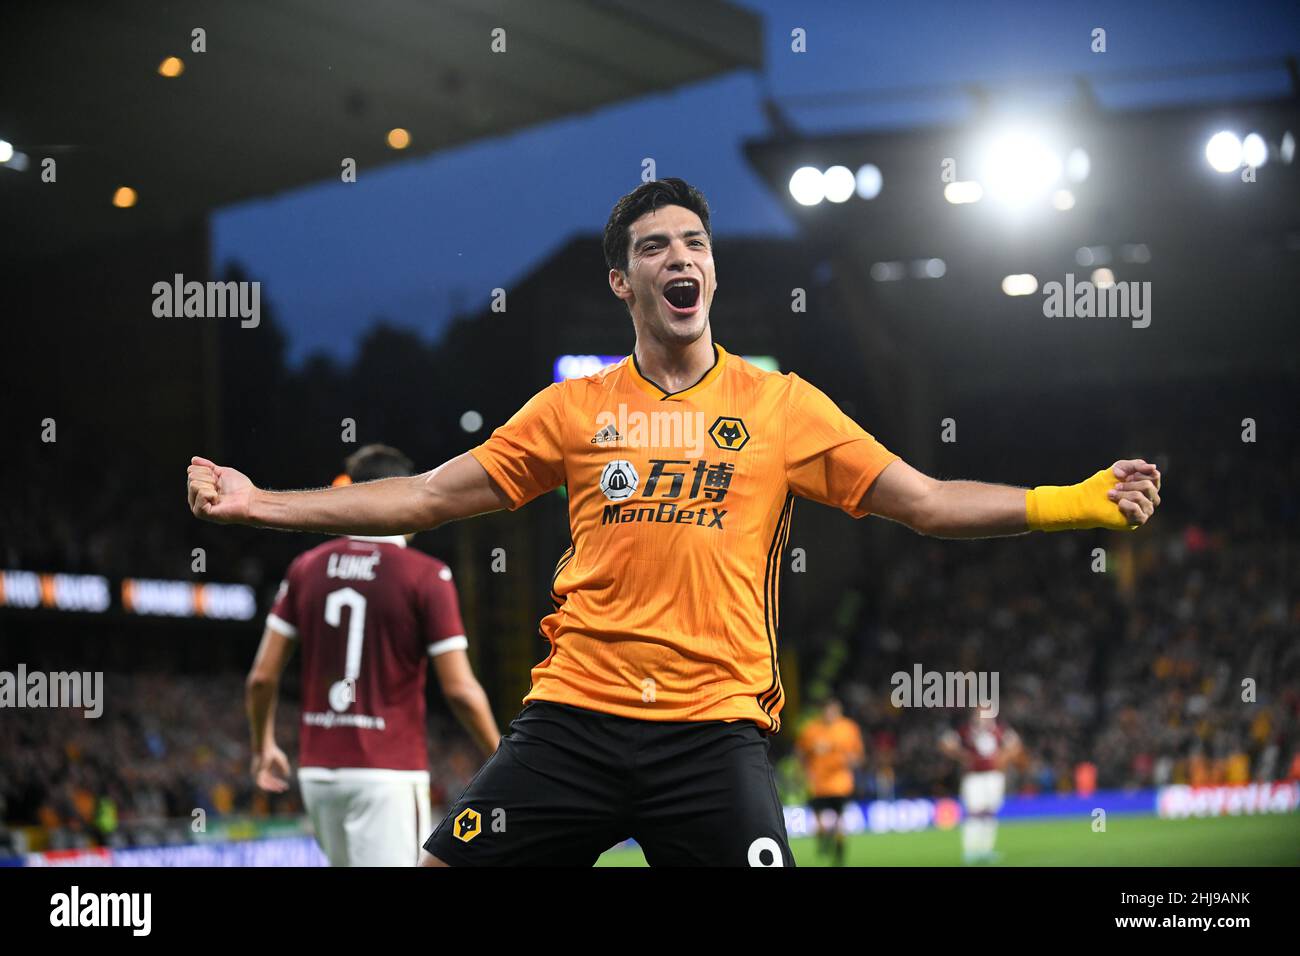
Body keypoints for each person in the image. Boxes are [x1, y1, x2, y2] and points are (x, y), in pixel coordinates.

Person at [190, 178, 1162, 867]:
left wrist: (1069, 500)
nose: (679, 257)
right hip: (573, 719)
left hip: (712, 735)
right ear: (624, 281)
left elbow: (925, 499)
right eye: (655, 246)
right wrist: (258, 501)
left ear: (711, 271)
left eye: (694, 242)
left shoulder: (780, 406)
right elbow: (430, 496)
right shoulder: (570, 410)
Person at [244, 444, 499, 866]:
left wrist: (263, 746)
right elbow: (459, 689)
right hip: (387, 773)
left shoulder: (306, 567)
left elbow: (261, 678)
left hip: (318, 774)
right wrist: (499, 756)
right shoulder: (426, 575)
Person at [940, 709, 1022, 864]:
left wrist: (1003, 757)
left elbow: (1015, 745)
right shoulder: (967, 730)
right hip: (974, 777)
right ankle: (971, 850)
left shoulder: (999, 729)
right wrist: (963, 756)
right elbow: (946, 743)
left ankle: (986, 849)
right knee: (974, 813)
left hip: (993, 776)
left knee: (989, 813)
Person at [796, 698, 864, 865]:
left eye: (833, 711)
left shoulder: (848, 728)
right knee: (819, 821)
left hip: (840, 784)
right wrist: (804, 770)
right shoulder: (811, 730)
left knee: (840, 819)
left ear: (838, 711)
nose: (830, 714)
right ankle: (823, 839)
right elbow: (800, 752)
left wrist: (851, 760)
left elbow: (858, 756)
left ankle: (839, 853)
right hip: (817, 784)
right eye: (827, 711)